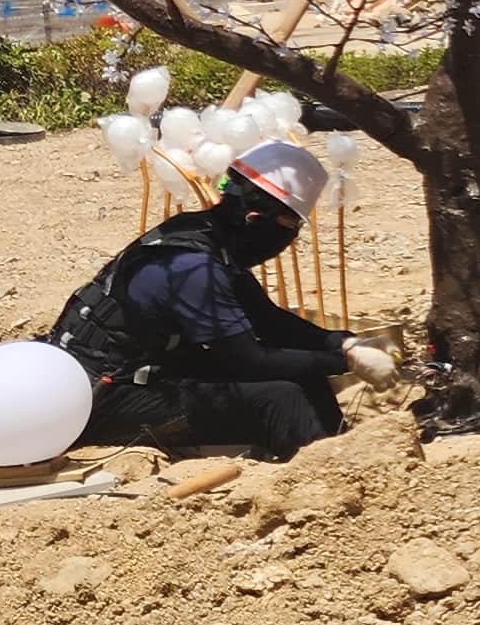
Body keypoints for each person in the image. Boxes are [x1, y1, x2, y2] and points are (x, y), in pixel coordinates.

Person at [47, 139, 393, 457]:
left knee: (303, 374)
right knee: (280, 400)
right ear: (255, 219)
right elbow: (250, 360)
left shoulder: (204, 236)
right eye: (290, 228)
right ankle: (327, 481)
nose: (289, 240)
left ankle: (339, 456)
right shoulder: (194, 268)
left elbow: (269, 321)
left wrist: (345, 344)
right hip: (97, 399)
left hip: (132, 371)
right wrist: (346, 363)